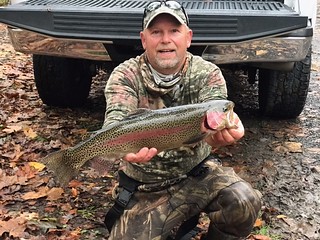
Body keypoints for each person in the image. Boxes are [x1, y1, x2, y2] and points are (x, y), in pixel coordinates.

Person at [102, 1, 262, 239]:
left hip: (196, 174)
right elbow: (116, 120)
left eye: (174, 31)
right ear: (144, 39)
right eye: (156, 32)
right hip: (144, 186)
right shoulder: (125, 75)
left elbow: (216, 110)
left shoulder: (207, 73)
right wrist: (118, 148)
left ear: (188, 37)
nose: (165, 39)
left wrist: (221, 134)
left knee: (244, 201)